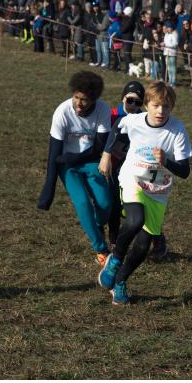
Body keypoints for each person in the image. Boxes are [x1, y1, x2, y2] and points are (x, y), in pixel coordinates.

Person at [98, 82, 192, 304]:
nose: (161, 111)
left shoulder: (177, 130)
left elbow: (185, 171)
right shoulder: (134, 121)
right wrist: (106, 154)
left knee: (143, 244)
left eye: (166, 107)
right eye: (156, 105)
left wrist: (166, 161)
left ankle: (120, 281)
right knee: (135, 220)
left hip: (158, 191)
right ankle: (115, 260)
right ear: (147, 105)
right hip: (133, 179)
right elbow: (117, 127)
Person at [37, 71, 113, 267]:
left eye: (85, 99)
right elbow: (54, 154)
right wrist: (48, 189)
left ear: (94, 99)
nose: (79, 103)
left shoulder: (103, 110)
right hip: (67, 166)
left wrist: (76, 157)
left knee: (105, 204)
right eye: (76, 97)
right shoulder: (62, 112)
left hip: (91, 161)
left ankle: (96, 226)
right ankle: (101, 249)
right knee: (83, 204)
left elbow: (99, 146)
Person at [105, 81, 146, 247]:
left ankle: (157, 239)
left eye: (138, 102)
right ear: (123, 98)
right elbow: (102, 140)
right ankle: (114, 239)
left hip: (135, 169)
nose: (133, 105)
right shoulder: (112, 115)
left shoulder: (144, 118)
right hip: (113, 168)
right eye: (130, 100)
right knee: (114, 203)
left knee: (140, 205)